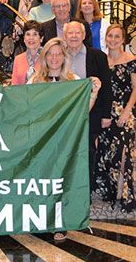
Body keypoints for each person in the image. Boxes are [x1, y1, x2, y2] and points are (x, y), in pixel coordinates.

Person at [30, 36, 102, 241]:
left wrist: (93, 93)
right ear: (45, 58)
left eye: (58, 54)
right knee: (42, 180)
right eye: (50, 54)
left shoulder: (73, 80)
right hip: (42, 141)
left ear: (63, 57)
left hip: (65, 141)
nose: (54, 58)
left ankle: (59, 223)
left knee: (61, 181)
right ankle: (40, 220)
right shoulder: (34, 80)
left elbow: (82, 111)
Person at [63, 21, 112, 193]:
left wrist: (106, 115)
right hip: (64, 115)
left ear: (84, 35)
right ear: (65, 35)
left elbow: (106, 86)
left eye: (78, 33)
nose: (74, 36)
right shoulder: (59, 56)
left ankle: (86, 191)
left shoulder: (98, 56)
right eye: (71, 33)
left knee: (89, 152)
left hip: (90, 113)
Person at [95, 24, 135, 212]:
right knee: (107, 152)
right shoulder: (103, 61)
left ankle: (123, 193)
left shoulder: (131, 60)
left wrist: (127, 111)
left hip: (126, 111)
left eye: (117, 36)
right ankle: (111, 192)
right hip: (106, 112)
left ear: (123, 39)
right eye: (110, 36)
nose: (113, 39)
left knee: (123, 153)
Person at [11, 21, 44, 85]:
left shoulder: (48, 57)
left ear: (41, 38)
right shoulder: (18, 59)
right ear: (24, 39)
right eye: (28, 34)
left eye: (35, 34)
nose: (31, 38)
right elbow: (14, 86)